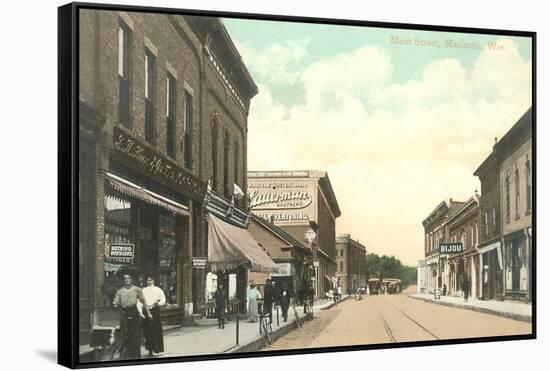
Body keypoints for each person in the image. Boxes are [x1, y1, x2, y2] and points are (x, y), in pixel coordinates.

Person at [113, 273, 152, 360]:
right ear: (123, 280)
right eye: (125, 279)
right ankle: (126, 356)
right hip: (124, 313)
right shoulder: (120, 291)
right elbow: (116, 304)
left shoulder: (137, 289)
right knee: (125, 334)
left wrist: (148, 313)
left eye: (129, 278)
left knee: (135, 335)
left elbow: (143, 301)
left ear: (132, 279)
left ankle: (136, 356)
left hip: (134, 313)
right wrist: (116, 306)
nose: (127, 280)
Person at [141, 275, 166, 356]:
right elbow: (140, 300)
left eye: (151, 280)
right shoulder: (144, 290)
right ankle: (149, 348)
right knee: (147, 330)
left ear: (153, 281)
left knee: (155, 330)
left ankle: (156, 348)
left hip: (155, 310)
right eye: (148, 280)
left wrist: (158, 303)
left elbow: (163, 299)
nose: (149, 282)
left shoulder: (158, 290)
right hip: (146, 309)